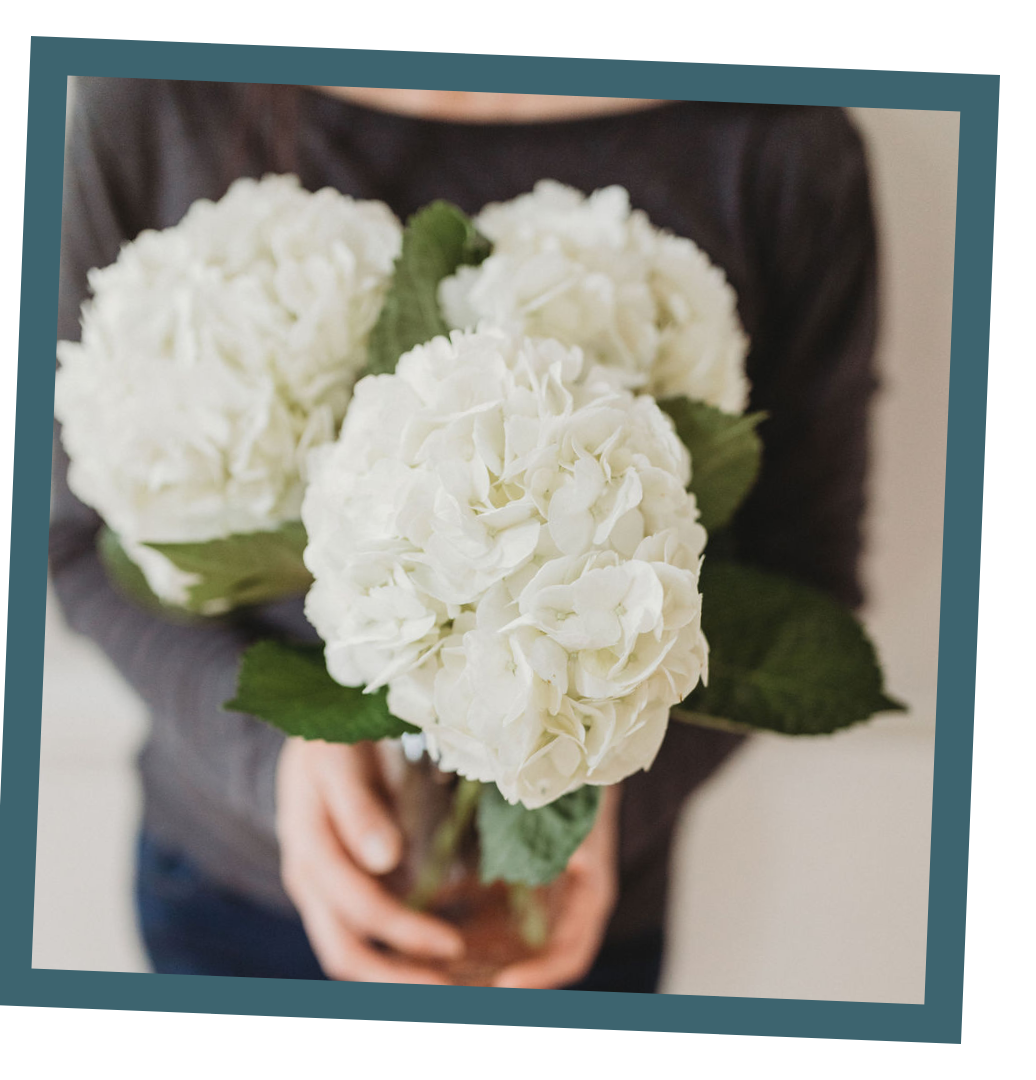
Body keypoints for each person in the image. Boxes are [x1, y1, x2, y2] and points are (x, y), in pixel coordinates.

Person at [50, 79, 878, 991]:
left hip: (560, 921)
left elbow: (806, 571)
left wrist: (592, 792)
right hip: (227, 900)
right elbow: (73, 543)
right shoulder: (162, 91)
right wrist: (272, 763)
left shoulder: (779, 142)